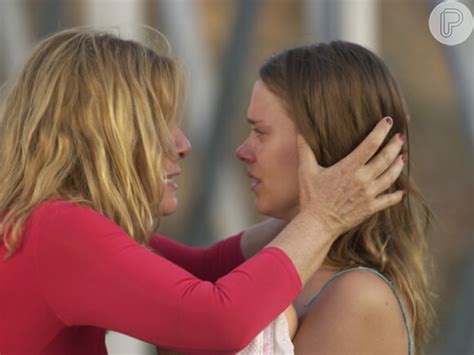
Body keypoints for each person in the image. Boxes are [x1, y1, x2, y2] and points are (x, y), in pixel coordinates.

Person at [0, 28, 405, 354]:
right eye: (159, 122)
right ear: (107, 135)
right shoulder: (61, 231)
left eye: (261, 132)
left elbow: (205, 267)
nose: (182, 143)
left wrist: (324, 207)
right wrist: (323, 218)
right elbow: (220, 320)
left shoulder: (40, 225)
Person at [236, 41, 434, 354]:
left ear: (321, 145)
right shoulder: (275, 254)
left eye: (260, 133)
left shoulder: (358, 297)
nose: (243, 151)